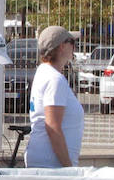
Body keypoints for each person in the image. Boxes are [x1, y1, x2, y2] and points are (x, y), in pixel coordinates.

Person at [26, 26, 84, 168]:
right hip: (52, 164)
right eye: (72, 42)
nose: (74, 47)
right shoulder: (54, 79)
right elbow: (53, 126)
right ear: (62, 46)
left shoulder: (44, 72)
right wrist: (69, 168)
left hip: (47, 161)